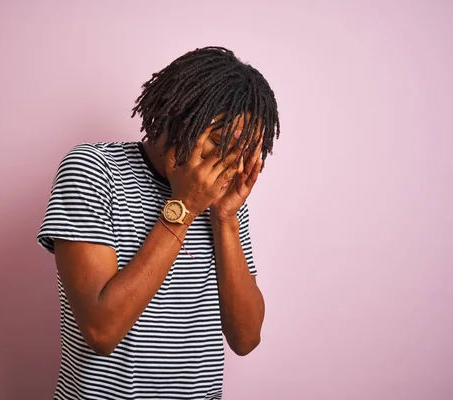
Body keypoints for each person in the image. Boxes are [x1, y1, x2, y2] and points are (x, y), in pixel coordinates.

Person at [37, 46, 280, 400]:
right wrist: (182, 207)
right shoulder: (93, 170)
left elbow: (245, 338)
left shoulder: (223, 200)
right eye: (220, 140)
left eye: (245, 150)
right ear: (180, 119)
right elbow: (101, 331)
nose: (233, 162)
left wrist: (225, 218)